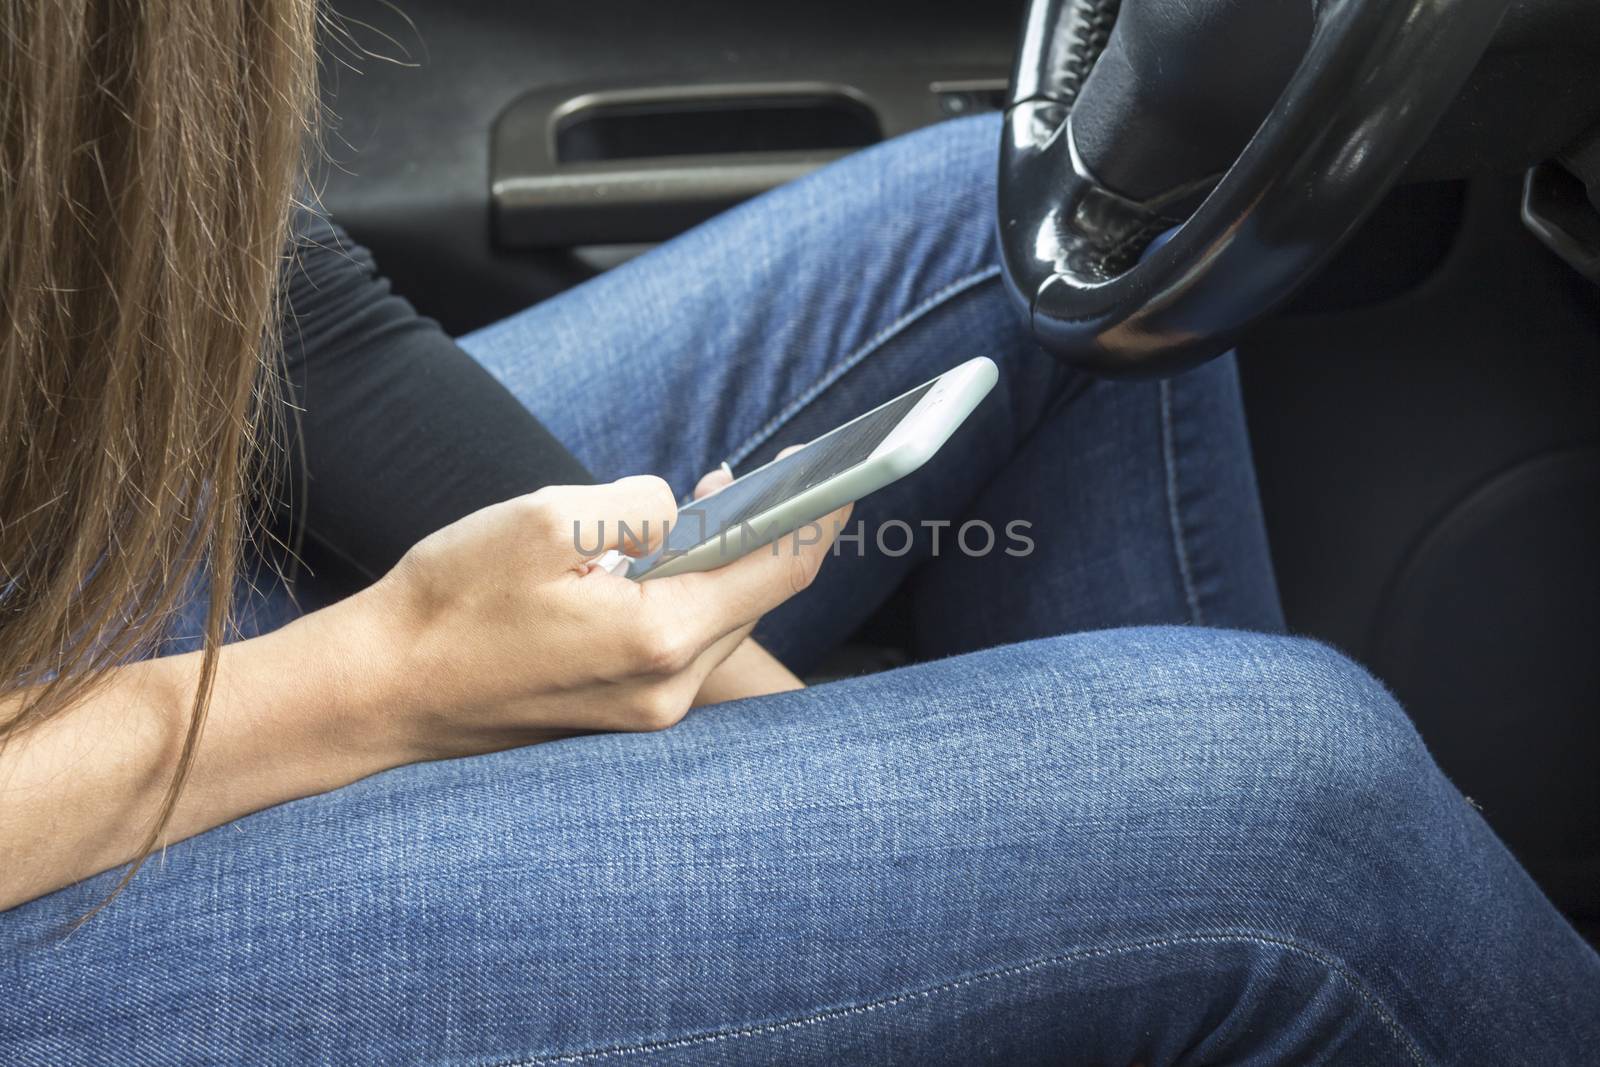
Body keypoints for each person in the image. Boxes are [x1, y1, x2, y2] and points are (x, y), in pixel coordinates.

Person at [2, 3, 1595, 1063]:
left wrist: (783, 738)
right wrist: (380, 679)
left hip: (79, 590)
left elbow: (256, 297)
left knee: (1036, 250)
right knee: (1294, 807)